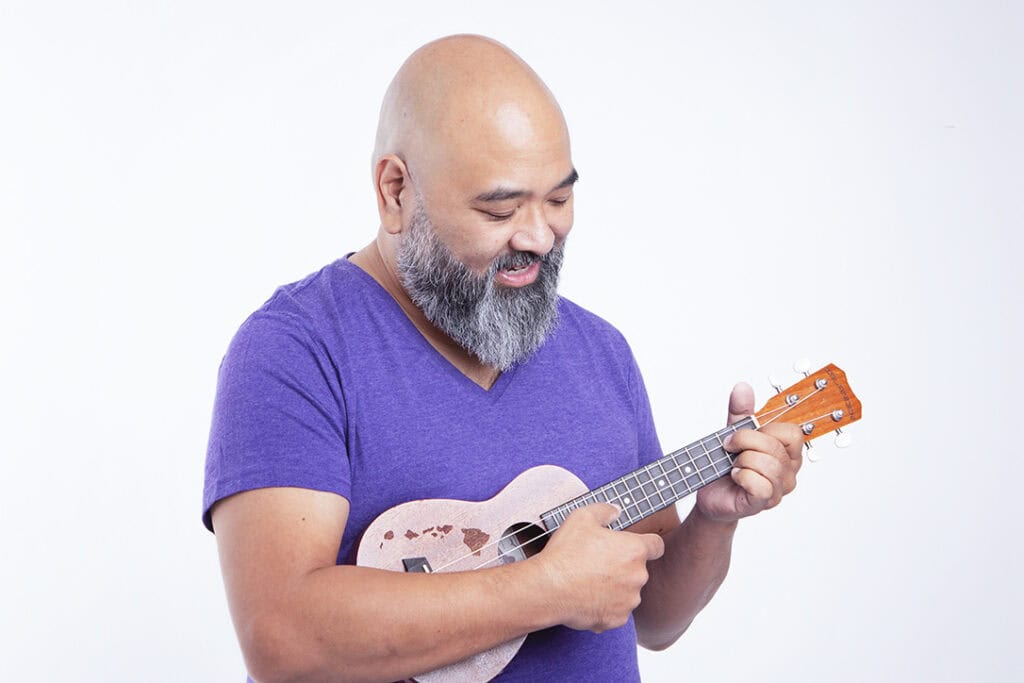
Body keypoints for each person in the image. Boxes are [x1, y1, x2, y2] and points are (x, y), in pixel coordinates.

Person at [203, 34, 803, 683]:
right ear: (396, 191)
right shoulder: (296, 349)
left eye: (559, 199)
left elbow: (653, 618)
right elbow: (283, 641)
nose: (539, 236)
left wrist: (712, 522)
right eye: (499, 209)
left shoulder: (600, 352)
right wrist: (544, 589)